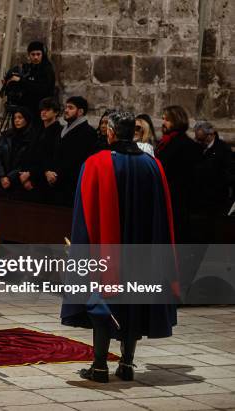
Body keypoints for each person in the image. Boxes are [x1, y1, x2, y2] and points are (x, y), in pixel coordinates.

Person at [61, 111, 178, 383]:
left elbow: (85, 213)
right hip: (143, 251)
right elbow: (162, 215)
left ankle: (100, 366)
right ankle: (126, 364)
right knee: (133, 302)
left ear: (111, 133)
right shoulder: (152, 165)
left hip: (106, 250)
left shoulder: (96, 163)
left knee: (102, 301)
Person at [156, 106, 203, 243]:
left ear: (177, 121)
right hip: (166, 199)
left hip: (178, 203)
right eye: (163, 119)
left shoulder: (185, 145)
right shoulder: (166, 142)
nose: (163, 123)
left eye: (167, 120)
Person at [43, 96, 96, 207]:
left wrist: (58, 175)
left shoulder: (88, 132)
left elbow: (80, 160)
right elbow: (53, 153)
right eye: (66, 107)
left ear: (80, 111)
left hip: (71, 186)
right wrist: (48, 171)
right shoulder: (63, 129)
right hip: (53, 183)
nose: (66, 110)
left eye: (71, 108)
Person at [2, 41, 56, 127]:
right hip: (27, 109)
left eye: (38, 54)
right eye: (33, 54)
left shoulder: (47, 69)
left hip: (40, 110)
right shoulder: (29, 68)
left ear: (43, 54)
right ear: (29, 55)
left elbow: (41, 89)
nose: (35, 57)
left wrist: (21, 80)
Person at [0, 107, 38, 200]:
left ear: (26, 119)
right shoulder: (7, 135)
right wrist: (1, 176)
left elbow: (27, 162)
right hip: (3, 183)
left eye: (20, 118)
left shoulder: (33, 138)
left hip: (18, 183)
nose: (17, 120)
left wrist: (10, 177)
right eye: (15, 118)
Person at [191, 121, 232, 216]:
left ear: (210, 135)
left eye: (201, 139)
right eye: (197, 139)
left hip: (216, 197)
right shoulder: (197, 146)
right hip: (198, 196)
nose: (198, 142)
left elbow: (228, 172)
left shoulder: (223, 149)